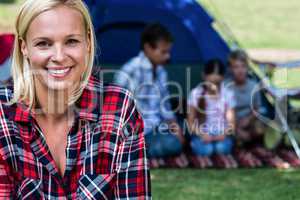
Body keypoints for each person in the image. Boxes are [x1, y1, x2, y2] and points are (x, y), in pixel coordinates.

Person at [0, 0, 151, 199]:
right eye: (43, 43)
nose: (59, 56)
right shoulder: (3, 114)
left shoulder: (119, 108)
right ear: (24, 47)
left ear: (88, 42)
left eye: (71, 41)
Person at [114, 23, 187, 168]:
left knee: (186, 132)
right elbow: (117, 110)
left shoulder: (161, 72)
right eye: (163, 52)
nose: (168, 56)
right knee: (173, 144)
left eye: (168, 52)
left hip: (156, 127)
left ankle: (138, 152)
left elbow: (165, 106)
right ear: (148, 48)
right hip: (135, 133)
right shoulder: (131, 70)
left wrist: (176, 128)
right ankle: (132, 151)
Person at [227, 49, 291, 169]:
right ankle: (241, 147)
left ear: (247, 68)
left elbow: (257, 108)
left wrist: (248, 119)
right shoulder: (227, 87)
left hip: (249, 121)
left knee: (260, 128)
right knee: (231, 132)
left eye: (243, 66)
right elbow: (223, 113)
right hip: (232, 122)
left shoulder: (253, 85)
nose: (240, 70)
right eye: (236, 67)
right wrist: (236, 128)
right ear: (230, 69)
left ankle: (254, 147)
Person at [187, 59, 237, 169]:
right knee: (207, 150)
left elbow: (231, 123)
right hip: (203, 133)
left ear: (223, 78)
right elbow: (190, 123)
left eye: (217, 83)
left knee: (221, 149)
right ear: (204, 76)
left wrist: (224, 134)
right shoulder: (196, 93)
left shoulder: (228, 94)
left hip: (221, 133)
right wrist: (201, 134)